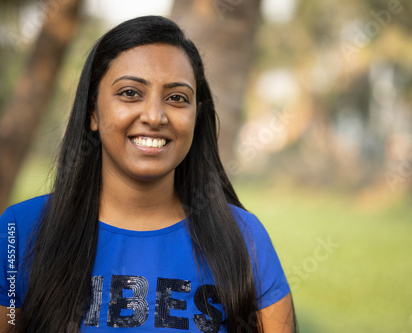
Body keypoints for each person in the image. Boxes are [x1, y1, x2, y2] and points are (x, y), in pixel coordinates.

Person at [0, 16, 295, 332]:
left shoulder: (245, 238)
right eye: (130, 93)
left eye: (177, 98)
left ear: (197, 116)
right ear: (92, 113)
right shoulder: (21, 230)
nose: (155, 116)